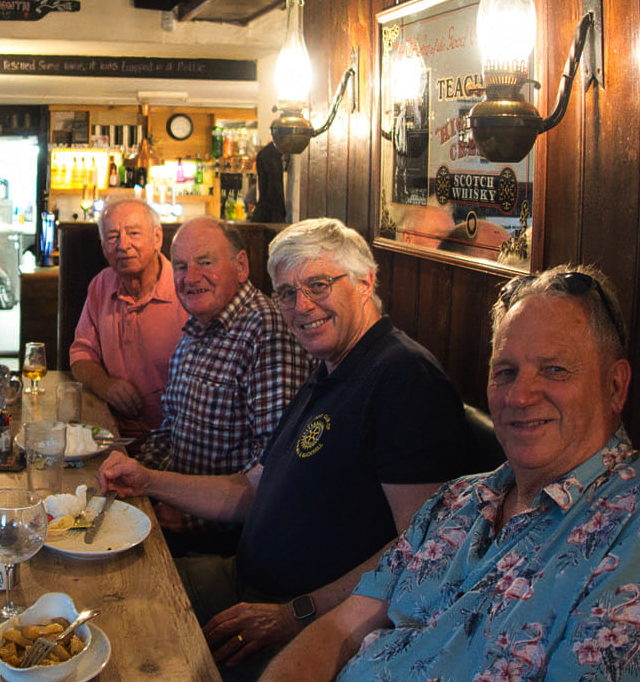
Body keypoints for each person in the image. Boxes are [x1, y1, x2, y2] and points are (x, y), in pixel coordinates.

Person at [100, 217, 467, 679]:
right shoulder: (332, 367)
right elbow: (249, 489)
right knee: (109, 592)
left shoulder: (403, 377)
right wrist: (148, 480)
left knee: (127, 653)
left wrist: (295, 614)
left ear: (364, 282)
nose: (302, 306)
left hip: (299, 619)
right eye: (288, 293)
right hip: (245, 580)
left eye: (317, 285)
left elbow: (421, 547)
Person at [262, 265, 640, 682]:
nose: (519, 395)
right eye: (506, 371)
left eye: (555, 370)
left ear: (615, 387)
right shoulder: (456, 500)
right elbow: (340, 630)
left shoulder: (628, 531)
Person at [137, 215, 313, 483]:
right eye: (181, 266)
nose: (191, 278)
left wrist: (187, 518)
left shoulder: (267, 333)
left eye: (206, 263)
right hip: (171, 500)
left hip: (217, 523)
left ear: (241, 266)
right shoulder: (198, 328)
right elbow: (170, 433)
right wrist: (136, 476)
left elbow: (274, 465)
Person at [69, 198, 189, 440]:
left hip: (175, 441)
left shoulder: (187, 290)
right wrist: (106, 385)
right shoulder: (101, 285)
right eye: (113, 237)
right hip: (111, 434)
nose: (123, 245)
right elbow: (81, 355)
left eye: (134, 233)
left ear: (157, 238)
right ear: (103, 247)